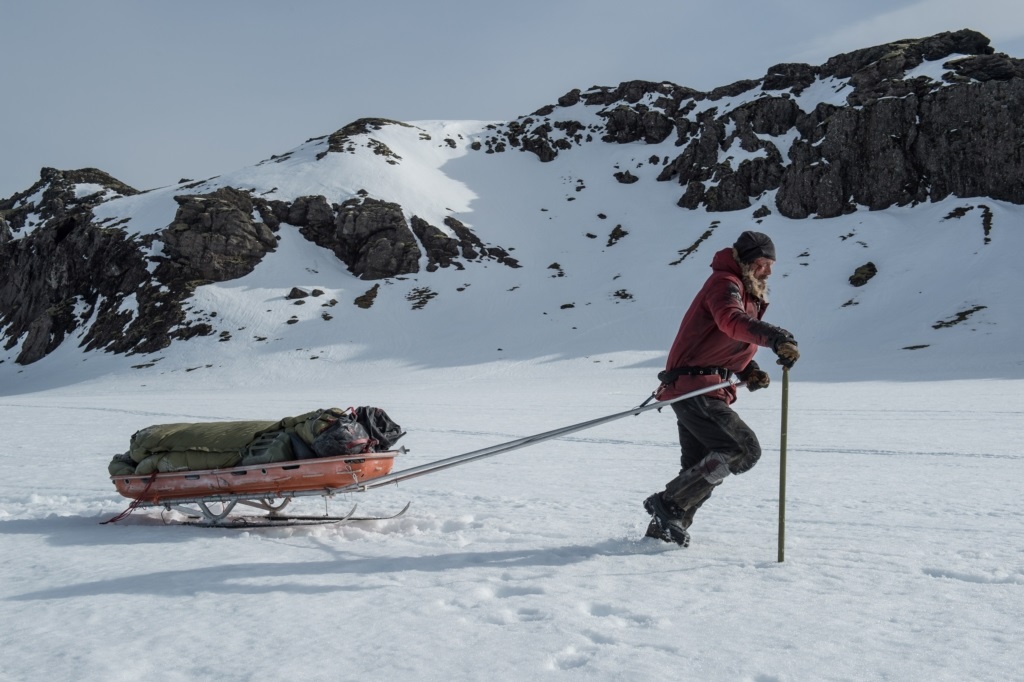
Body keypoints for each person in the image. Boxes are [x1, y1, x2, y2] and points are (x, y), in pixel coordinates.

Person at [643, 230, 799, 546]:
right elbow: (731, 321)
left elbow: (723, 343)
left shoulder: (744, 291)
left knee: (702, 466)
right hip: (695, 388)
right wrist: (775, 337)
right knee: (742, 449)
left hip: (702, 386)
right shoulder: (725, 284)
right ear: (746, 260)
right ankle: (668, 502)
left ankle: (665, 530)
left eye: (771, 264)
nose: (768, 271)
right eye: (763, 262)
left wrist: (749, 369)